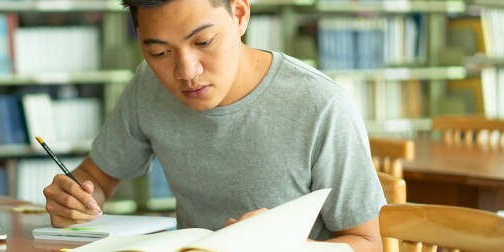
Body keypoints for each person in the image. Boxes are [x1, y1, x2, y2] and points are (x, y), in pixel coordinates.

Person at [41, 0, 386, 251]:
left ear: (239, 14)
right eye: (160, 53)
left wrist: (292, 248)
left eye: (203, 42)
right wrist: (75, 200)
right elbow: (97, 178)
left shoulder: (321, 104)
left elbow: (370, 242)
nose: (186, 72)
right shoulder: (147, 86)